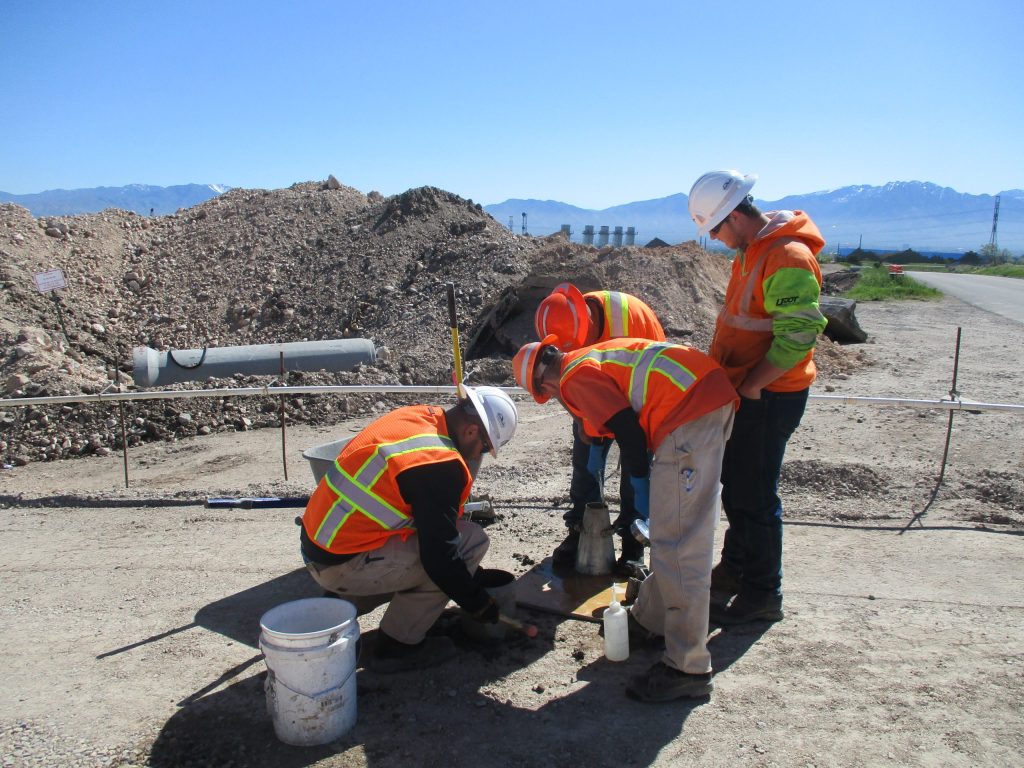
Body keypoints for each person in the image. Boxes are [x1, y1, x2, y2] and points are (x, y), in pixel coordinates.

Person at [513, 336, 737, 702]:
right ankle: (647, 619)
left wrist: (639, 486)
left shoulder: (573, 377)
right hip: (701, 397)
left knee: (681, 544)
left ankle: (687, 667)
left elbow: (630, 435)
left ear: (545, 385)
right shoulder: (588, 358)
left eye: (550, 395)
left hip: (689, 412)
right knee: (670, 536)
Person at [688, 170, 827, 625]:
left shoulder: (786, 256)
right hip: (748, 391)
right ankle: (736, 568)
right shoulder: (752, 253)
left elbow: (798, 337)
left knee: (756, 494)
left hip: (771, 396)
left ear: (734, 216)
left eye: (715, 229)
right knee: (738, 486)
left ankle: (764, 592)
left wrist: (751, 385)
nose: (715, 239)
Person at [299, 385, 518, 673]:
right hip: (342, 565)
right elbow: (441, 558)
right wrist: (477, 603)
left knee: (446, 546)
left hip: (323, 547)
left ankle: (346, 602)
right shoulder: (440, 463)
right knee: (469, 544)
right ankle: (399, 644)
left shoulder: (416, 417)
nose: (482, 454)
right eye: (486, 447)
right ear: (471, 431)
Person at [534, 282, 666, 572]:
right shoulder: (563, 324)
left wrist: (628, 433)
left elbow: (645, 384)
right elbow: (561, 380)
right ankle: (581, 531)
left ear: (588, 323)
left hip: (639, 394)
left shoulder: (629, 320)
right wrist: (581, 419)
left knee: (636, 470)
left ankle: (633, 546)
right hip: (595, 390)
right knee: (585, 463)